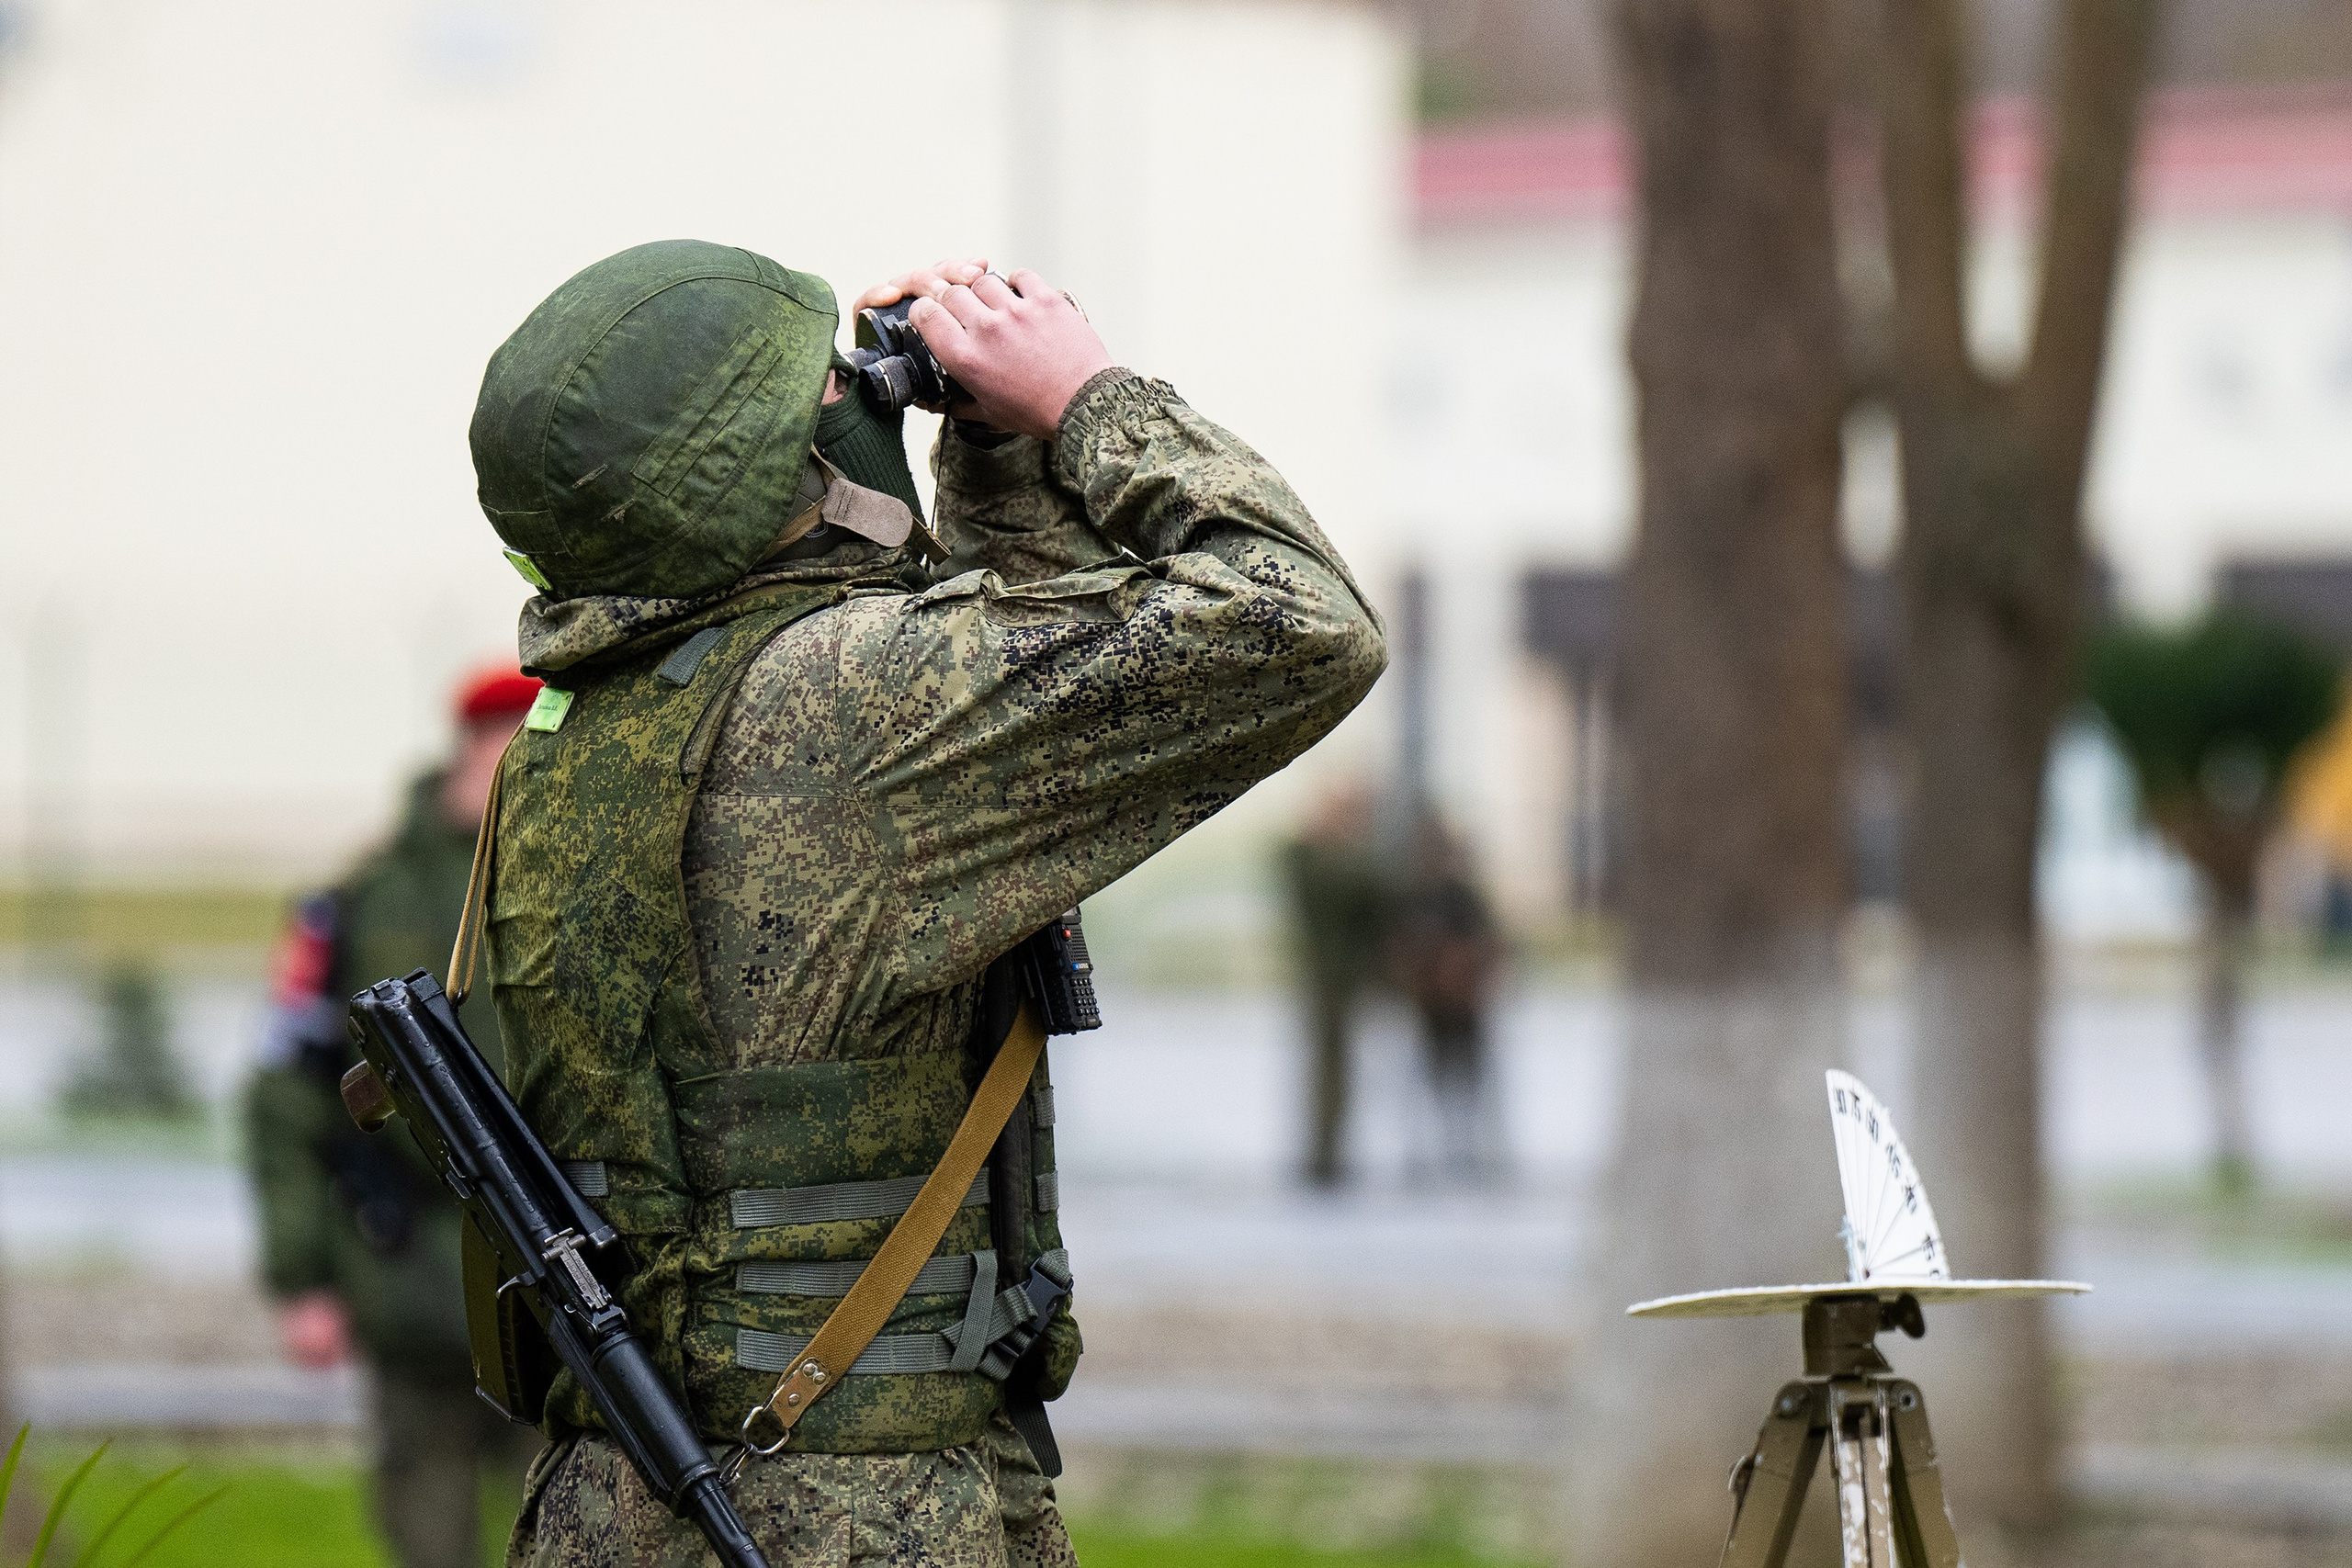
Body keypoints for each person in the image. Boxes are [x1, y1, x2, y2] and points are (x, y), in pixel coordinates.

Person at [463, 241, 1384, 1566]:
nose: (854, 400)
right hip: (848, 1511)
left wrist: (991, 464)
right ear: (769, 473)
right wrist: (1083, 398)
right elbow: (1303, 619)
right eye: (821, 394)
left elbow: (1011, 671)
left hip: (619, 1495)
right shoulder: (845, 709)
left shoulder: (585, 727)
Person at [246, 666, 546, 1568]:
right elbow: (290, 1094)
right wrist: (304, 1279)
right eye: (505, 741)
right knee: (427, 1530)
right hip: (409, 1270)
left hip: (554, 1273)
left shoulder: (582, 882)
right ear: (468, 748)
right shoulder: (359, 901)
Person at [1278, 781, 1393, 1187]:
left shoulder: (1337, 857)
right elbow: (1357, 887)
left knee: (1339, 1073)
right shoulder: (1307, 856)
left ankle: (1330, 1156)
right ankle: (1323, 1159)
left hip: (1349, 975)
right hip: (1327, 977)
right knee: (1328, 1073)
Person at [1387, 815, 1507, 1180]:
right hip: (1431, 1006)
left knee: (1470, 1081)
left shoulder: (1464, 898)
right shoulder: (1416, 897)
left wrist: (1473, 978)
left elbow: (1491, 946)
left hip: (1464, 1005)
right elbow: (1399, 949)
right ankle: (1429, 1154)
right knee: (1429, 1080)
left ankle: (1468, 1150)